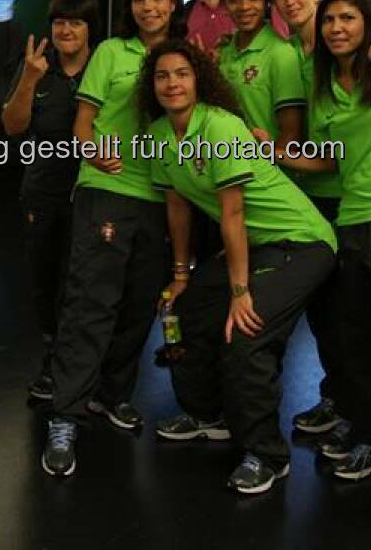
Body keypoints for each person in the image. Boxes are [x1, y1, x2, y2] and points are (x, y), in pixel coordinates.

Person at [143, 39, 337, 494]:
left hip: (301, 243)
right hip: (253, 246)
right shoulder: (156, 134)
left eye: (182, 74)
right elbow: (178, 207)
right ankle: (207, 412)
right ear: (152, 86)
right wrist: (180, 276)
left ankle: (266, 454)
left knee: (246, 331)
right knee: (183, 313)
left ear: (200, 80)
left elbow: (231, 213)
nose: (172, 83)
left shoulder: (222, 126)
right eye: (162, 76)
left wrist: (238, 291)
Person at [41, 0, 183, 477]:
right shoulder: (111, 53)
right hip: (109, 189)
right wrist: (94, 153)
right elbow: (83, 124)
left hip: (164, 195)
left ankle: (111, 395)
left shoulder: (182, 56)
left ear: (172, 5)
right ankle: (65, 417)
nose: (149, 7)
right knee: (90, 305)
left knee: (139, 305)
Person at [279, 0, 371, 474]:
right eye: (330, 21)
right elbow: (331, 159)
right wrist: (276, 151)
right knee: (354, 339)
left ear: (367, 24)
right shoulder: (321, 87)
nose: (337, 29)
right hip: (351, 219)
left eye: (348, 19)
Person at [2, 0, 99, 401]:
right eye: (60, 22)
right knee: (46, 279)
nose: (66, 30)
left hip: (97, 191)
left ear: (90, 29)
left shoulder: (105, 66)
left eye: (76, 22)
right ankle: (54, 357)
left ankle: (87, 365)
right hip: (43, 192)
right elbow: (12, 126)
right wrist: (29, 79)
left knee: (86, 282)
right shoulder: (36, 69)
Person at [268, 0, 344, 437]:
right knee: (324, 315)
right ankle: (334, 400)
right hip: (307, 197)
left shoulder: (342, 48)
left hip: (347, 198)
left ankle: (355, 412)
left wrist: (276, 151)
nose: (289, 0)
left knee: (347, 317)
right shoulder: (291, 53)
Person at [216, 0, 305, 158]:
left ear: (266, 2)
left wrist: (267, 171)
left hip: (267, 176)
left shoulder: (281, 53)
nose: (244, 6)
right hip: (230, 169)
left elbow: (291, 135)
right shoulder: (224, 53)